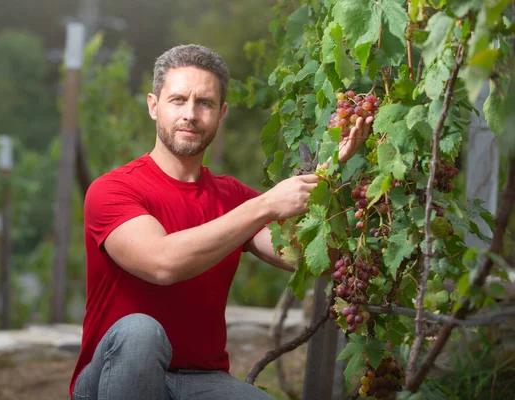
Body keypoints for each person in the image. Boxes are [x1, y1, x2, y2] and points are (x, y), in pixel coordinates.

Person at [70, 44, 372, 400]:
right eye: (178, 100)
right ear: (154, 106)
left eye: (205, 103)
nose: (191, 114)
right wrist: (264, 206)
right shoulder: (112, 189)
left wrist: (328, 177)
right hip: (115, 380)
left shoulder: (233, 198)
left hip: (201, 381)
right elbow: (162, 263)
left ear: (221, 113)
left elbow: (306, 259)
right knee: (140, 332)